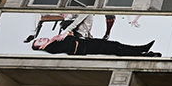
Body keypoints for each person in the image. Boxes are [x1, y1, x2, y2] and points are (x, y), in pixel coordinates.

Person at [31, 33, 160, 57]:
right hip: (86, 48)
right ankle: (143, 54)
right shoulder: (51, 48)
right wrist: (66, 35)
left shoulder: (54, 41)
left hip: (87, 43)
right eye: (39, 41)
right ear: (41, 47)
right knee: (116, 49)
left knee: (116, 45)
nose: (42, 39)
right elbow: (70, 43)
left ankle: (141, 49)